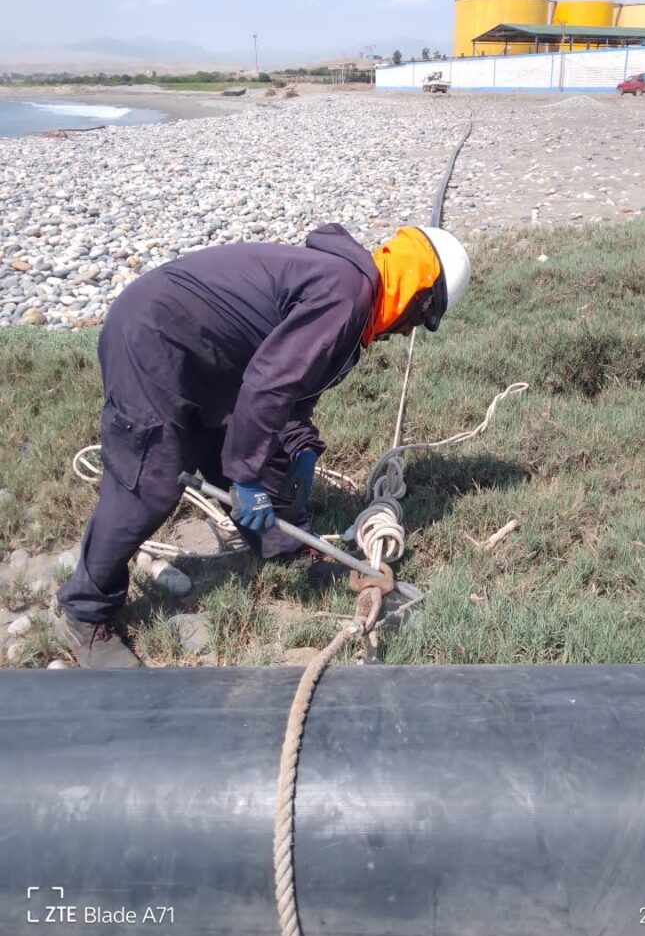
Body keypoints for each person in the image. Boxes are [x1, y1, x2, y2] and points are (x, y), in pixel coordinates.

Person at [55, 223, 471, 669]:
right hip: (155, 335)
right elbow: (268, 387)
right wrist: (246, 477)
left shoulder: (353, 294)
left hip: (206, 351)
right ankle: (83, 611)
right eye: (422, 320)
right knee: (150, 480)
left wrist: (301, 447)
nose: (409, 334)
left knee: (265, 449)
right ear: (418, 294)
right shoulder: (346, 294)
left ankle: (284, 549)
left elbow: (289, 386)